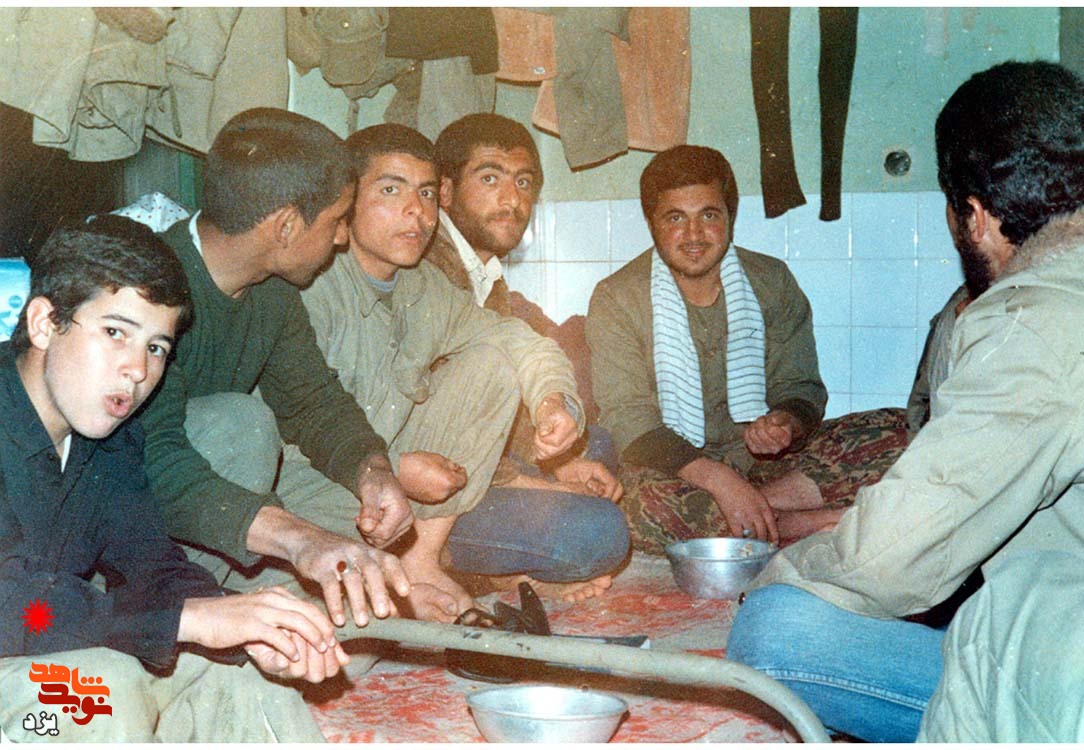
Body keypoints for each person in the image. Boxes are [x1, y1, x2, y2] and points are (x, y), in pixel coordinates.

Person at [727, 60, 1084, 742]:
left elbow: (892, 558)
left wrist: (779, 575)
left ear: (975, 215)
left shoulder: (1037, 323)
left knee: (776, 629)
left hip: (1065, 683)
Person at [0, 216, 344, 742]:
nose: (138, 370)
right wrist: (187, 619)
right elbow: (16, 604)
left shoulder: (107, 436)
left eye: (156, 347)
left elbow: (148, 561)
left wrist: (239, 625)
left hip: (37, 639)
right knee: (95, 691)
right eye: (116, 332)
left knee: (236, 675)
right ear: (45, 323)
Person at [300, 123, 629, 622]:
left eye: (425, 193)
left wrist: (553, 402)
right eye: (391, 190)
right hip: (332, 488)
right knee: (597, 531)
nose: (416, 211)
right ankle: (455, 571)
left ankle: (421, 560)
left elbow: (517, 342)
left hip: (416, 484)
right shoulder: (313, 288)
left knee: (512, 376)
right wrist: (389, 467)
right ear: (346, 203)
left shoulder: (418, 285)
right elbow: (293, 429)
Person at [138, 108, 412, 633]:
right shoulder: (148, 286)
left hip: (206, 502)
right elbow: (158, 465)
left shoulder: (274, 290)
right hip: (127, 516)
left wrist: (373, 471)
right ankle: (178, 611)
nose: (341, 239)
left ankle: (231, 604)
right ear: (285, 226)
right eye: (336, 220)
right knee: (243, 424)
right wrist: (300, 539)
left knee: (367, 606)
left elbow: (312, 402)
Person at [586, 144, 847, 551]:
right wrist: (718, 480)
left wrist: (785, 422)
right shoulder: (617, 298)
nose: (694, 235)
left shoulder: (772, 280)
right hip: (674, 474)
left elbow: (802, 387)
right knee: (632, 508)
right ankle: (791, 522)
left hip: (769, 469)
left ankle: (754, 514)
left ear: (730, 218)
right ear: (652, 224)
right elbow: (626, 418)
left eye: (709, 215)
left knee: (894, 431)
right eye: (675, 218)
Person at [425, 113, 628, 590]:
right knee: (599, 531)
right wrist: (536, 483)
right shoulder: (428, 267)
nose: (512, 199)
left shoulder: (486, 275)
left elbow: (496, 405)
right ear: (446, 191)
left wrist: (560, 464)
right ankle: (463, 571)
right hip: (425, 489)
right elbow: (439, 428)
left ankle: (495, 567)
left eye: (523, 182)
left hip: (472, 468)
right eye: (490, 178)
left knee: (595, 444)